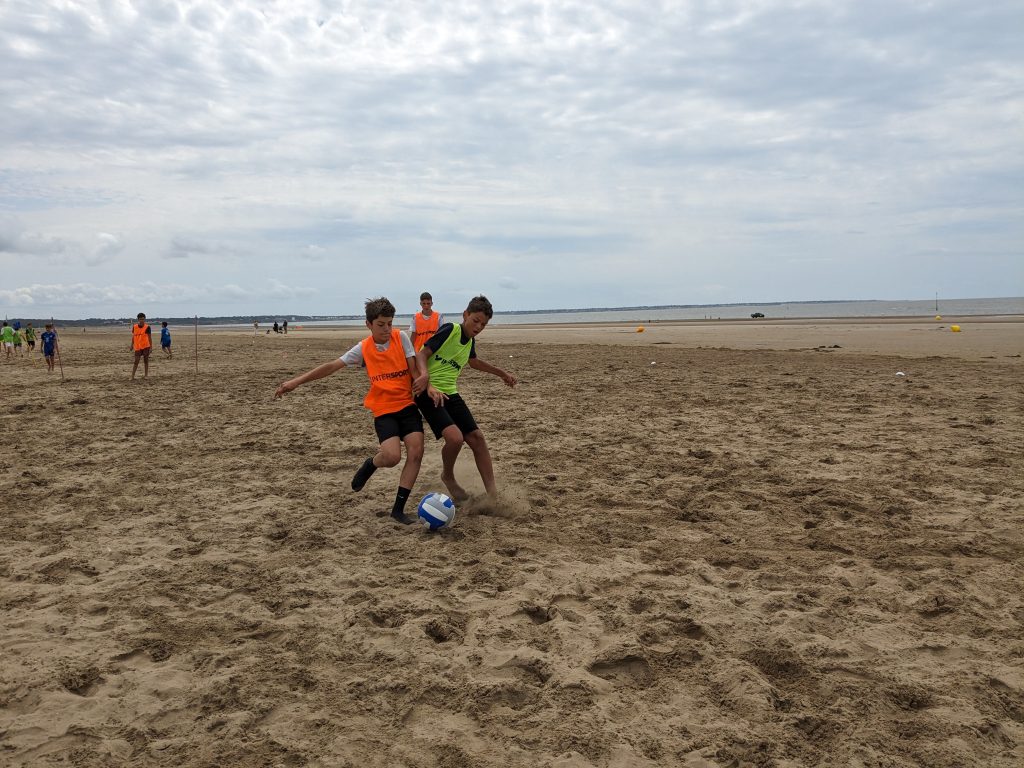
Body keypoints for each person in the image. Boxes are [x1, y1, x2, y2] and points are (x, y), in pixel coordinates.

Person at [275, 297, 429, 525]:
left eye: (389, 323)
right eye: (381, 325)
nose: (387, 329)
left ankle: (398, 509)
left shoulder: (401, 337)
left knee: (416, 452)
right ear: (369, 324)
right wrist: (296, 382)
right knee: (392, 457)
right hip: (384, 409)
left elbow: (415, 370)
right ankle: (371, 464)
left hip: (407, 406)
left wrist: (426, 384)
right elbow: (331, 366)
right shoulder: (363, 348)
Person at [413, 295, 516, 501]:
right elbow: (422, 354)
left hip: (450, 392)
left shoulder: (469, 341)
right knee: (455, 438)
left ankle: (493, 495)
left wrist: (502, 374)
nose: (478, 326)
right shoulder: (451, 329)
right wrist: (427, 380)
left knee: (477, 439)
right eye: (475, 320)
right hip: (427, 392)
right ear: (465, 315)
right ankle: (448, 476)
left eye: (484, 324)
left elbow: (475, 362)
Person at [130, 312, 152, 380]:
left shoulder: (147, 327)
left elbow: (149, 338)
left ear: (145, 319)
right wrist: (131, 345)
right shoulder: (135, 327)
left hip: (146, 346)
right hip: (137, 347)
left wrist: (151, 347)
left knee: (146, 361)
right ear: (138, 319)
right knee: (136, 361)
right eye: (140, 319)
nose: (142, 320)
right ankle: (132, 376)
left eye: (143, 319)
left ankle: (146, 375)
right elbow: (133, 336)